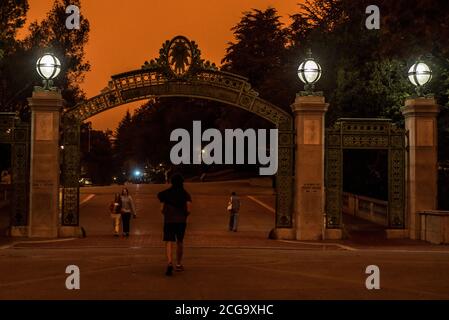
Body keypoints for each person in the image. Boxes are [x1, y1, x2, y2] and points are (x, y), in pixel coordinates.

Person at [157, 174, 192, 276]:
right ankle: (179, 264)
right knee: (180, 242)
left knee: (169, 242)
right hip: (181, 221)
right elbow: (189, 209)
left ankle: (169, 263)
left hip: (169, 221)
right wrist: (184, 215)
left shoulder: (166, 194)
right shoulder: (186, 194)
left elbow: (161, 209)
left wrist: (167, 214)